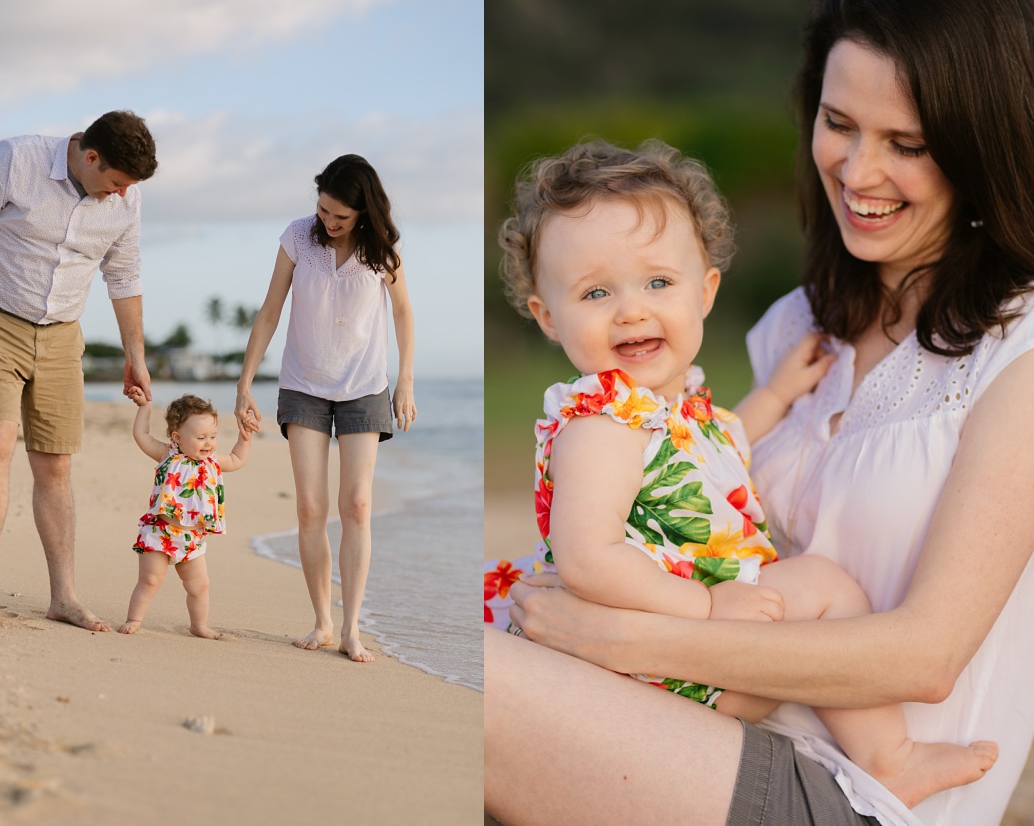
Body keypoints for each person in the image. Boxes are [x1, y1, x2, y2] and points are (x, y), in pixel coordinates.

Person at [484, 0, 1034, 823]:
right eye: (839, 122)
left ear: (978, 148)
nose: (857, 171)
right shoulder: (794, 327)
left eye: (907, 145)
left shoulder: (1018, 350)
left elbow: (927, 658)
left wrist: (614, 636)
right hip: (709, 727)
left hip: (861, 792)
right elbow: (709, 463)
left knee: (476, 680)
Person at [0, 110, 158, 632]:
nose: (121, 195)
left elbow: (123, 274)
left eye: (129, 188)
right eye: (116, 183)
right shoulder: (17, 160)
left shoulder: (127, 198)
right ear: (90, 156)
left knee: (55, 465)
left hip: (62, 335)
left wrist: (136, 355)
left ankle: (63, 596)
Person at [235, 154, 416, 663]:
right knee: (310, 508)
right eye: (323, 210)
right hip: (303, 386)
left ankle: (352, 629)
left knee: (356, 505)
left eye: (340, 216)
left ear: (363, 211)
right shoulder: (298, 236)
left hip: (364, 386)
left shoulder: (384, 248)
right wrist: (245, 382)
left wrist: (404, 382)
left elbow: (402, 313)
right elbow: (270, 308)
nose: (329, 222)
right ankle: (321, 622)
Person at [118, 392, 250, 639]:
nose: (208, 443)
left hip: (192, 539)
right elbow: (141, 435)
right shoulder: (168, 454)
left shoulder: (213, 461)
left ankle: (199, 625)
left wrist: (245, 436)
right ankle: (134, 619)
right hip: (161, 533)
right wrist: (145, 406)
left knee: (200, 586)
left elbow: (237, 458)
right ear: (177, 437)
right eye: (201, 437)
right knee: (150, 581)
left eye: (212, 436)